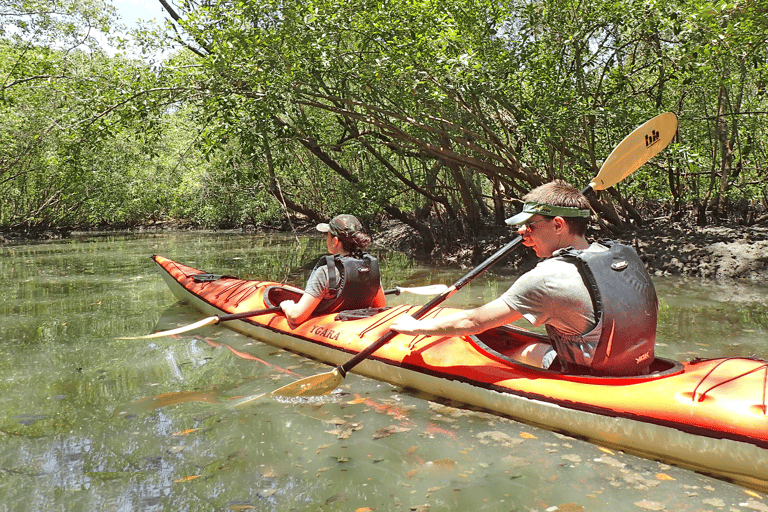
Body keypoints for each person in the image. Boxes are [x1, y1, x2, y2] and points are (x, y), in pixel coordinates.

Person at [390, 180, 658, 376]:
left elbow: (471, 321)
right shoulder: (621, 254)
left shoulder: (547, 277)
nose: (522, 233)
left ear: (558, 225)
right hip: (638, 364)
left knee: (525, 352)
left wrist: (413, 327)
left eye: (530, 225)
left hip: (592, 376)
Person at [280, 214, 385, 326]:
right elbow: (381, 306)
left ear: (335, 241)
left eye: (328, 235)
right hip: (358, 328)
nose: (326, 239)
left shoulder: (325, 272)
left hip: (332, 330)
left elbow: (296, 317)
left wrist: (288, 307)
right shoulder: (369, 267)